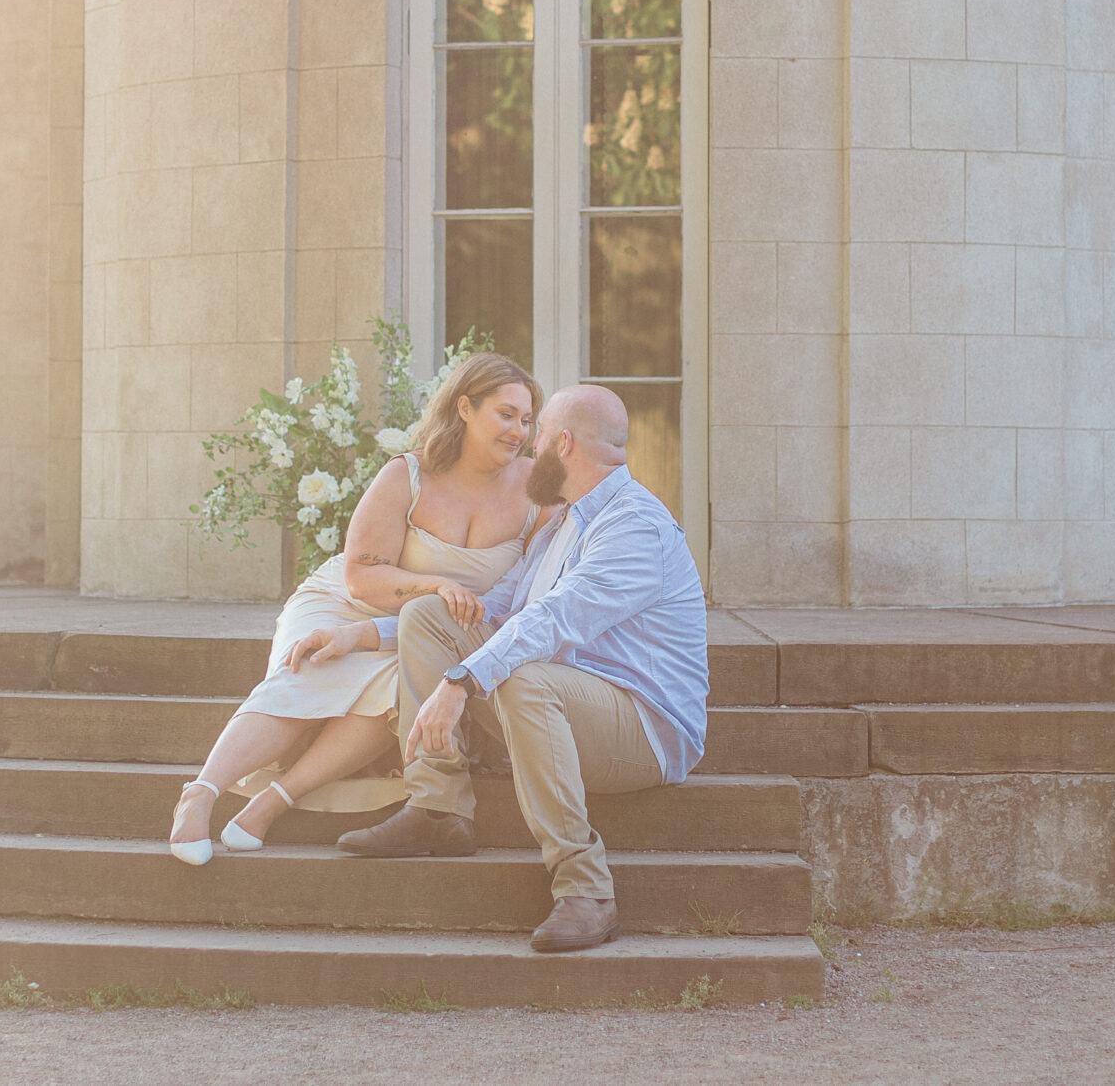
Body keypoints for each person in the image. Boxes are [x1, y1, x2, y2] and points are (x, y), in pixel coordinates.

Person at [333, 384, 708, 954]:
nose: (528, 450)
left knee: (525, 680)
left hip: (645, 727)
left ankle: (586, 889)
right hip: (563, 699)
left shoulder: (633, 526)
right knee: (430, 615)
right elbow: (501, 609)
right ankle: (438, 809)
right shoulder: (562, 523)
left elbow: (558, 618)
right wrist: (364, 634)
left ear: (562, 443)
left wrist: (462, 681)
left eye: (537, 436)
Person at [164, 352, 544, 864]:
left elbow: (524, 596)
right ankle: (202, 792)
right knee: (317, 662)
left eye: (526, 419)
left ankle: (274, 802)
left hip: (431, 630)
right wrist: (432, 585)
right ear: (465, 408)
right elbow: (362, 576)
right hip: (346, 603)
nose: (518, 430)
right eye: (506, 414)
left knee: (399, 684)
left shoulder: (539, 491)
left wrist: (426, 609)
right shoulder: (407, 474)